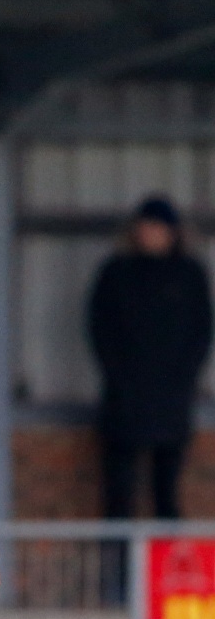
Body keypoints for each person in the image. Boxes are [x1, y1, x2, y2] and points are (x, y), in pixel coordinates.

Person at [88, 196, 213, 519]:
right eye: (145, 227)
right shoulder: (116, 274)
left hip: (172, 402)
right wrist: (121, 379)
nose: (150, 234)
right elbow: (100, 331)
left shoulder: (188, 275)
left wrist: (181, 381)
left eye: (157, 228)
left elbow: (201, 334)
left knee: (166, 495)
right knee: (119, 496)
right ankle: (115, 570)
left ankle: (165, 568)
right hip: (124, 401)